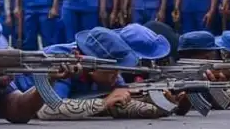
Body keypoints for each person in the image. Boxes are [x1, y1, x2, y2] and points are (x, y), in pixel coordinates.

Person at [35, 27, 170, 120]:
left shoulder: (107, 68)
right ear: (94, 67)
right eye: (113, 69)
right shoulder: (63, 62)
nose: (117, 75)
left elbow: (121, 98)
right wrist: (104, 103)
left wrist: (160, 104)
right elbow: (47, 109)